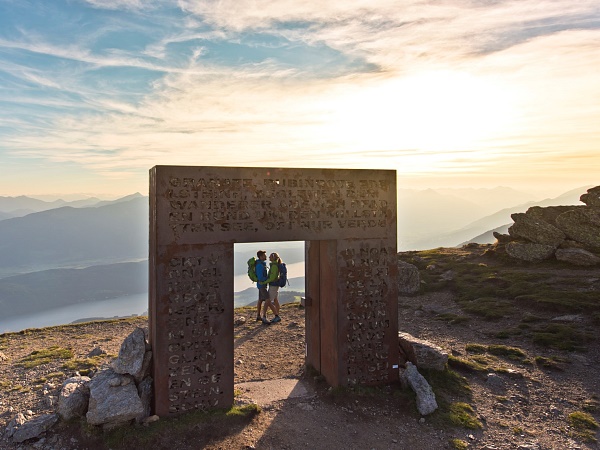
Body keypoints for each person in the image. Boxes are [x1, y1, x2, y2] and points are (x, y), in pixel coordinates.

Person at [254, 250, 277, 325]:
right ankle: (264, 317)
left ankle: (258, 316)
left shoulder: (261, 264)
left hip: (261, 285)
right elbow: (260, 277)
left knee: (260, 300)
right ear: (261, 257)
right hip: (262, 286)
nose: (266, 256)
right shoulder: (260, 266)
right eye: (264, 255)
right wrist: (267, 279)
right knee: (268, 300)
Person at [265, 252, 283, 323]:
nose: (269, 258)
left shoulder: (274, 266)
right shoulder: (275, 265)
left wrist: (264, 282)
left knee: (268, 301)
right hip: (275, 285)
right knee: (275, 300)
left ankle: (276, 316)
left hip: (273, 285)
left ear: (273, 257)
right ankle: (277, 314)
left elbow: (272, 278)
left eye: (270, 257)